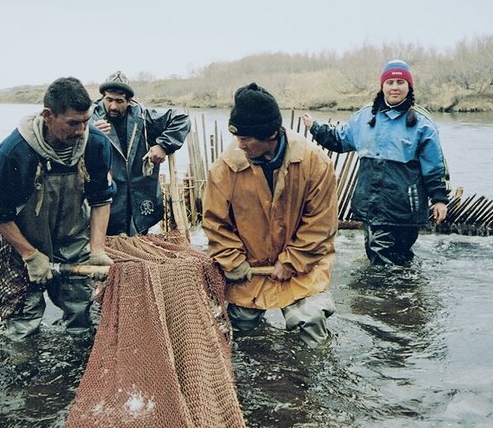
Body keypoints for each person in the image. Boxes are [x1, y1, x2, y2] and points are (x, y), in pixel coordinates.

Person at [0, 77, 116, 340]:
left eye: (86, 121)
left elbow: (101, 200)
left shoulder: (96, 144)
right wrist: (30, 255)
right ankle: (23, 376)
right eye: (72, 123)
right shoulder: (15, 151)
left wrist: (97, 250)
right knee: (22, 322)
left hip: (74, 243)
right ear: (48, 116)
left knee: (81, 319)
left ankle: (77, 375)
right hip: (23, 245)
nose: (81, 130)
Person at [202, 83, 338, 345]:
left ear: (271, 134)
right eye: (237, 137)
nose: (239, 144)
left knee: (311, 322)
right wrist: (233, 261)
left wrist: (291, 261)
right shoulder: (224, 168)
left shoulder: (315, 162)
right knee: (237, 330)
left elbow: (321, 225)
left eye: (245, 138)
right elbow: (215, 223)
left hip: (303, 266)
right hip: (250, 267)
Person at [303, 59, 451, 265]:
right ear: (382, 86)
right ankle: (388, 295)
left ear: (409, 86)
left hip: (407, 204)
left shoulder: (422, 122)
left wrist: (439, 199)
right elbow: (339, 140)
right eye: (390, 82)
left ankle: (400, 295)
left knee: (401, 255)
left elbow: (435, 166)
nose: (395, 87)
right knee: (379, 255)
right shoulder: (364, 116)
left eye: (400, 82)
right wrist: (315, 128)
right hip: (374, 203)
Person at [91, 71, 191, 236]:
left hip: (140, 197)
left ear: (129, 101)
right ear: (103, 97)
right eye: (108, 100)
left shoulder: (144, 117)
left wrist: (163, 145)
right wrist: (90, 133)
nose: (113, 106)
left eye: (119, 101)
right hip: (107, 200)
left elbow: (181, 119)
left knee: (139, 244)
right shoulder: (89, 118)